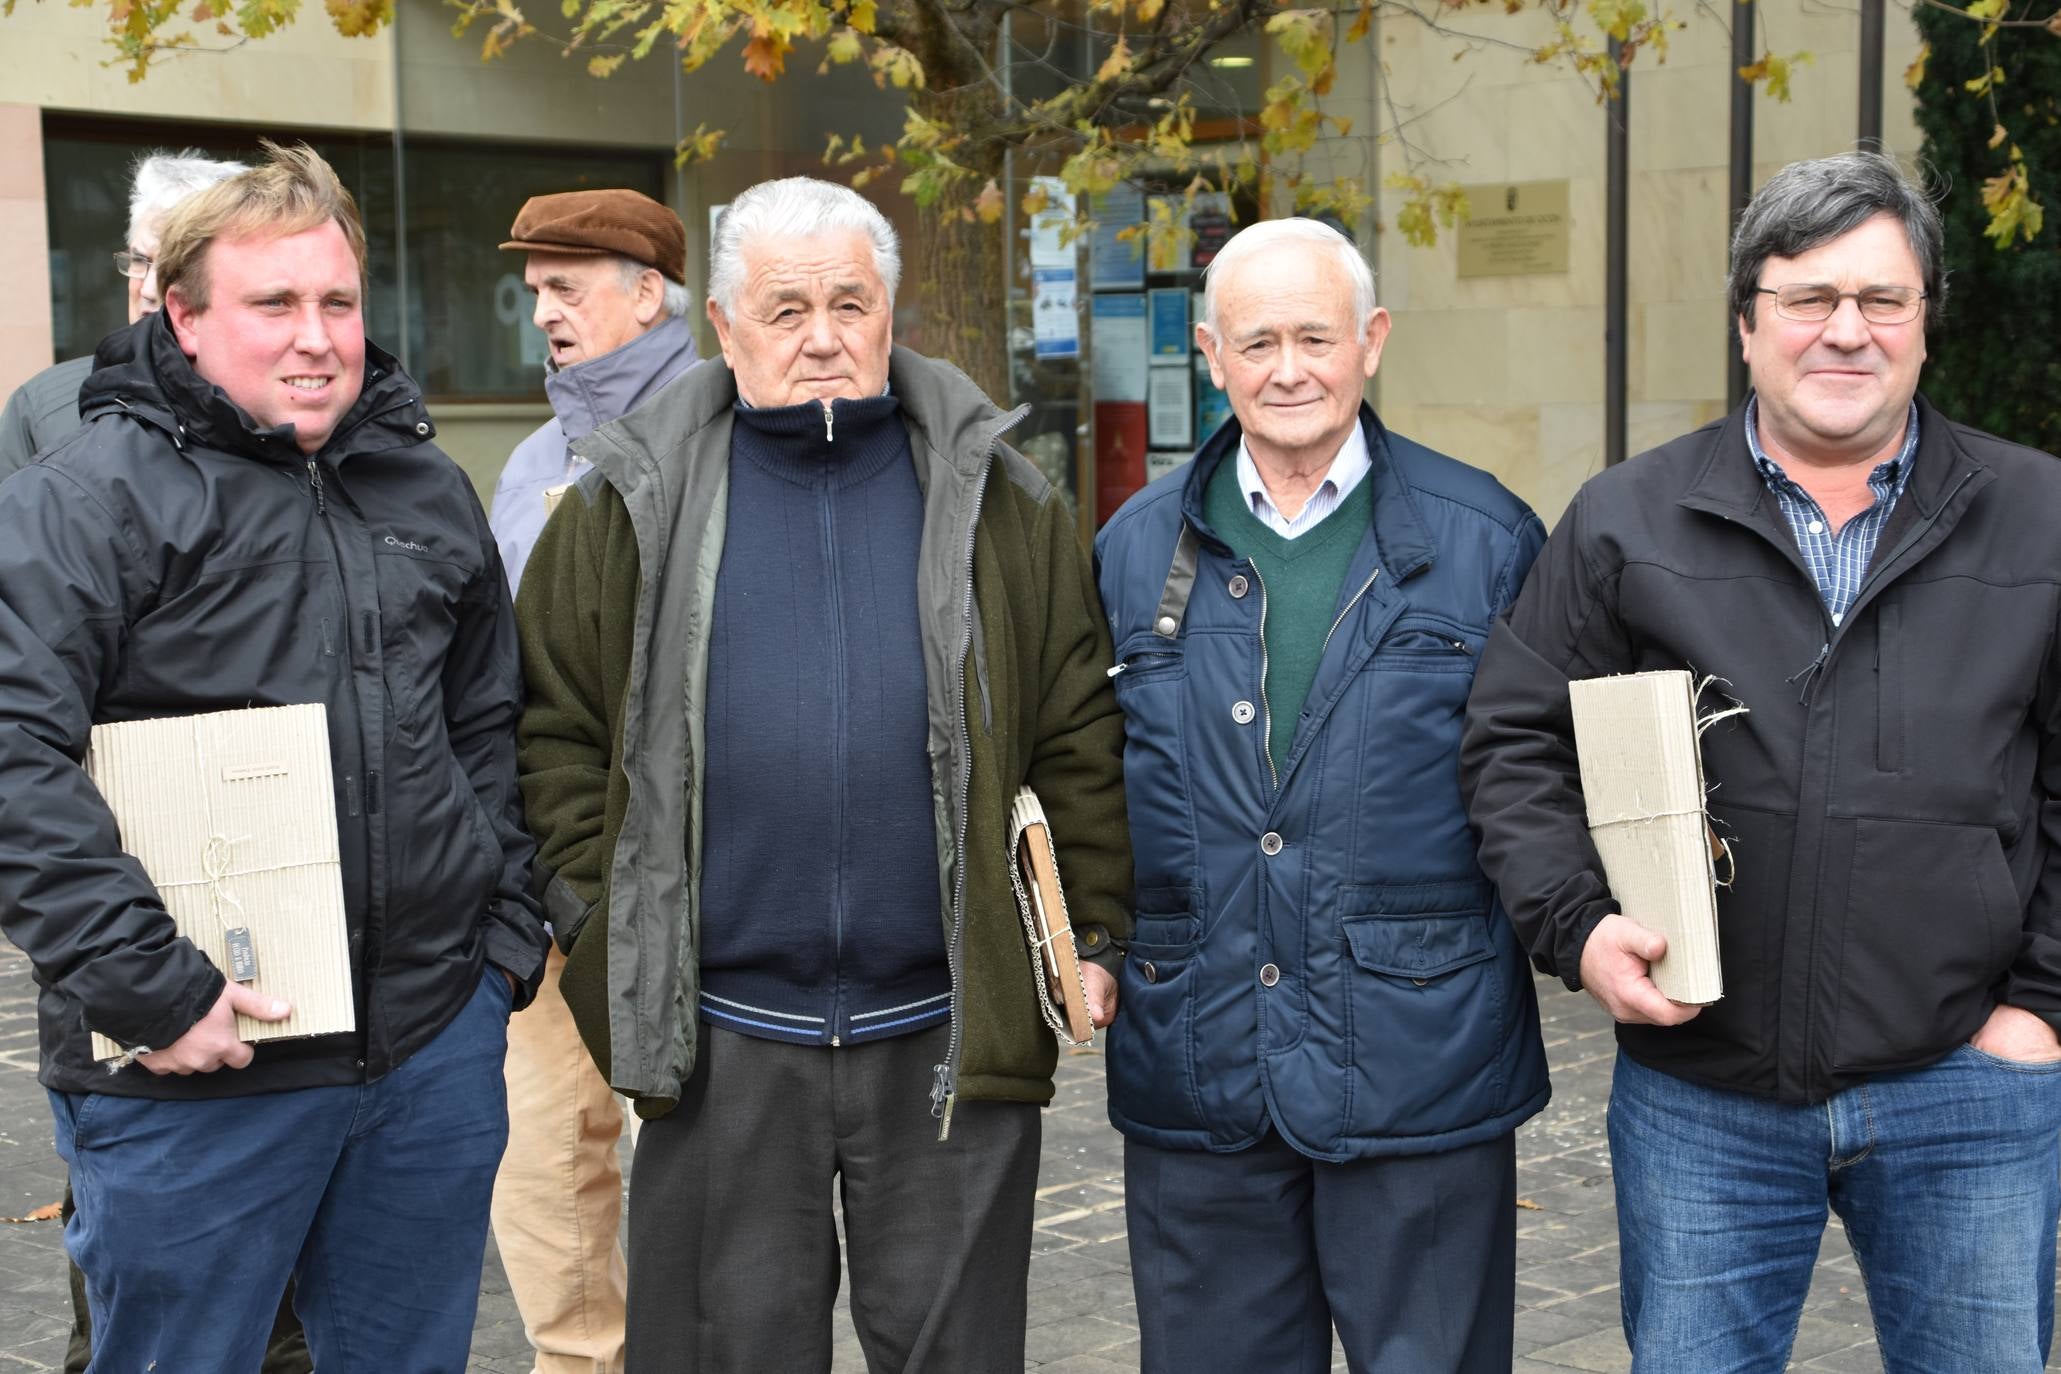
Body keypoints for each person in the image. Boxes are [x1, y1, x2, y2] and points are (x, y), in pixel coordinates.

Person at [515, 175, 1131, 1372]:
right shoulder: (619, 506)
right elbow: (555, 741)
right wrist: (603, 936)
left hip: (950, 1037)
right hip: (721, 1048)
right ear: (722, 325)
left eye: (850, 302)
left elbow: (1073, 735)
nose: (822, 336)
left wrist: (1091, 932)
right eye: (785, 307)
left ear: (891, 314)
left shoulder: (1001, 497)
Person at [1462, 150, 2061, 1372]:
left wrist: (2042, 1005)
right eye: (1806, 299)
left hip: (1970, 1088)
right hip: (1704, 1096)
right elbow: (1515, 737)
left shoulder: (2043, 517)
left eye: (1881, 300)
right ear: (1747, 324)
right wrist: (1575, 925)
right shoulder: (1628, 518)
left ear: (1925, 324)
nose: (1846, 331)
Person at [0, 141, 549, 1371]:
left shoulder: (424, 487)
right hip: (196, 1072)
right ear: (181, 317)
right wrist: (151, 990)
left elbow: (485, 725)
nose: (317, 338)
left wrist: (496, 955)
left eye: (338, 302)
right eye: (275, 305)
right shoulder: (82, 502)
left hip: (423, 1060)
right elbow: (10, 759)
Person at [1093, 216, 1551, 1374]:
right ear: (1209, 354)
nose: (1288, 369)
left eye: (1316, 336)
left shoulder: (1486, 539)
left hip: (1420, 1068)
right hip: (1200, 1067)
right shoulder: (1132, 552)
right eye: (1256, 343)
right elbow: (1088, 780)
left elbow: (1543, 779)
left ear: (1373, 341)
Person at [487, 186, 698, 1374]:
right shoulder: (528, 462)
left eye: (567, 288)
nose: (545, 315)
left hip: (690, 873)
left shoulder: (723, 431)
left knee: (688, 1148)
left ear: (647, 294)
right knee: (547, 1151)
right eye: (534, 295)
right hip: (544, 873)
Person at [0, 149, 243, 480]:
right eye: (140, 261)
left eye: (175, 268)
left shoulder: (281, 400)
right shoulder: (42, 409)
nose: (147, 290)